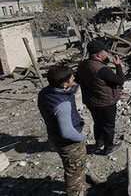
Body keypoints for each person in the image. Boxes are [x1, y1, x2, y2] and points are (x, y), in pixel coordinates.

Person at [38, 66, 86, 196]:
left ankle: (85, 177)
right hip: (69, 143)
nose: (74, 78)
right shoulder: (62, 104)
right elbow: (67, 132)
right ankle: (75, 192)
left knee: (75, 165)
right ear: (64, 85)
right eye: (71, 78)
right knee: (73, 169)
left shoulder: (45, 93)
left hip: (54, 136)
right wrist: (80, 138)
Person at [76, 40, 124, 155]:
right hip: (105, 102)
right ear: (99, 54)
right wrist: (118, 65)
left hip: (91, 101)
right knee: (108, 125)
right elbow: (120, 80)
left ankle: (98, 144)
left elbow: (78, 80)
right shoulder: (102, 69)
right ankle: (108, 148)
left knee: (97, 123)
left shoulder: (83, 64)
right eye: (105, 51)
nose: (107, 53)